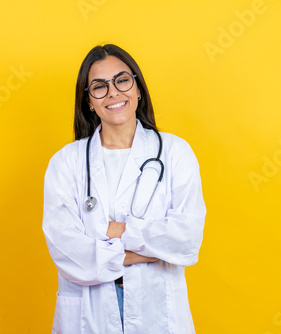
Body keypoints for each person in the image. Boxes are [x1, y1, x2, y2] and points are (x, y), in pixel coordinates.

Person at [42, 44, 206, 333]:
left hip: (157, 309)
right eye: (99, 86)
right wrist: (154, 248)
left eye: (122, 80)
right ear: (89, 101)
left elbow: (187, 239)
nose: (113, 93)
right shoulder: (66, 162)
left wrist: (110, 232)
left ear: (138, 88)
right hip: (88, 312)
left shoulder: (175, 152)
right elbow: (66, 252)